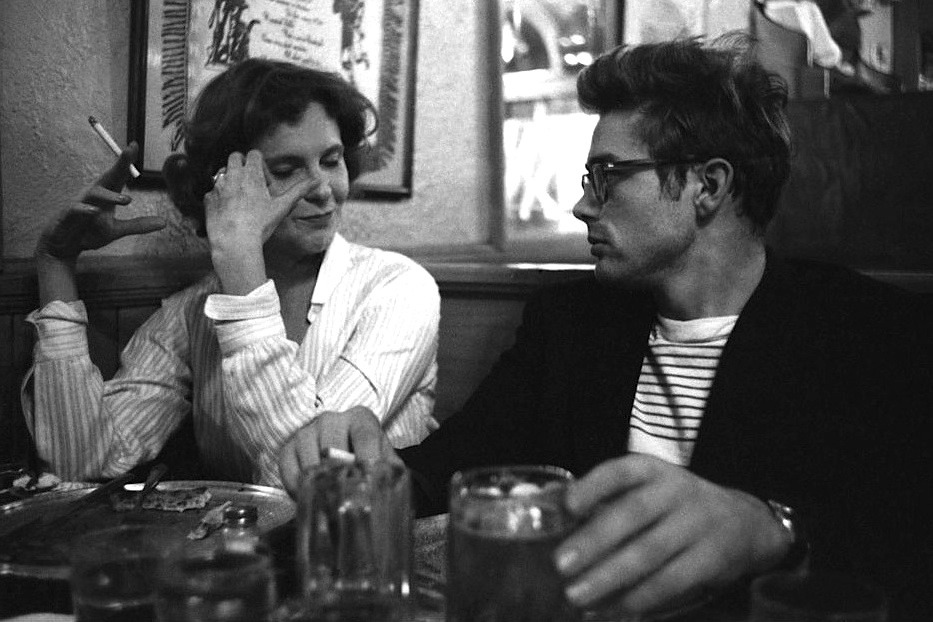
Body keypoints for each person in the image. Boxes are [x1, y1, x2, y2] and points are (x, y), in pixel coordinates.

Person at [282, 35, 933, 619]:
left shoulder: (864, 332)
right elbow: (459, 461)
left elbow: (902, 543)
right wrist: (372, 459)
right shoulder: (571, 323)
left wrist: (775, 528)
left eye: (608, 175)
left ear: (706, 186)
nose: (581, 202)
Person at [23, 58, 440, 488]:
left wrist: (242, 269)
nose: (322, 189)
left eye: (332, 161)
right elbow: (81, 462)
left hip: (370, 551)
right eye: (286, 170)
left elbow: (315, 479)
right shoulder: (193, 312)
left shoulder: (398, 289)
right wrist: (56, 267)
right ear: (224, 186)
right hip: (243, 554)